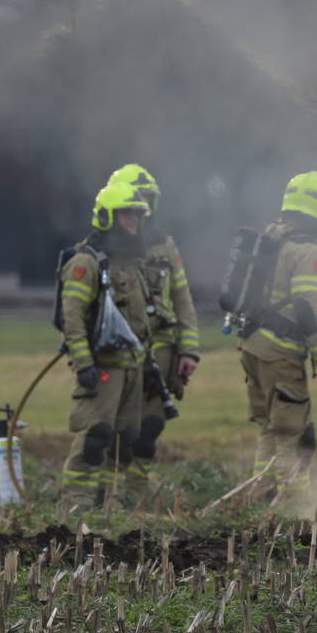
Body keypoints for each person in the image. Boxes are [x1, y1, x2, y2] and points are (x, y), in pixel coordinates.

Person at [237, 172, 317, 497]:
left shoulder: (272, 237)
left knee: (270, 428)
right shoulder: (306, 250)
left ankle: (259, 497)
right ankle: (293, 509)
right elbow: (310, 309)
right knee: (293, 434)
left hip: (252, 345)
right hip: (281, 352)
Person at [56, 180, 154, 512]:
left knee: (125, 440)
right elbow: (73, 316)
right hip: (103, 368)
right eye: (127, 216)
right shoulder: (88, 263)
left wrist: (148, 364)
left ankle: (115, 507)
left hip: (132, 367)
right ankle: (76, 505)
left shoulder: (130, 263)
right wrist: (84, 365)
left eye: (137, 217)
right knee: (95, 436)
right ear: (107, 217)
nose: (133, 223)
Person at [105, 163, 200, 503]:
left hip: (162, 348)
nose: (141, 209)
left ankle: (133, 496)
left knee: (151, 427)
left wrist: (188, 351)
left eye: (147, 200)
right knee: (116, 428)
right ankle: (105, 498)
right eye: (135, 201)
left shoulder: (165, 245)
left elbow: (182, 299)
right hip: (120, 351)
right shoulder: (105, 247)